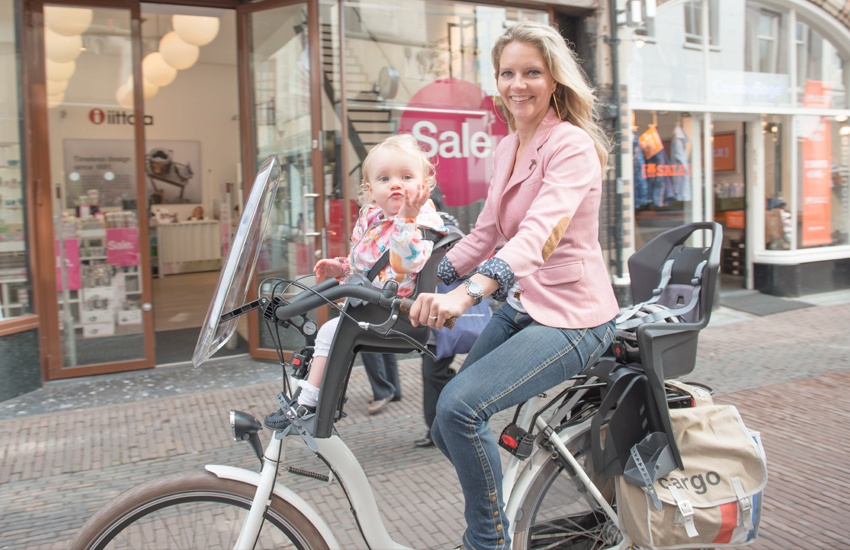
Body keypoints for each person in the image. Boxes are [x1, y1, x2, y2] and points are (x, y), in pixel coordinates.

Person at [408, 22, 620, 550]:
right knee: (445, 426)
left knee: (460, 408)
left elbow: (537, 235)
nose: (517, 84)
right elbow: (485, 233)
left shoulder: (570, 145)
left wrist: (469, 293)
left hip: (573, 315)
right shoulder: (507, 148)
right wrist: (424, 280)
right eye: (508, 73)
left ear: (554, 81)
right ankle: (511, 496)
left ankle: (490, 540)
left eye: (531, 72)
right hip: (523, 307)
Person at [265, 134, 447, 429]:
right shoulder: (372, 217)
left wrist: (407, 219)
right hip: (370, 301)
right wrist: (342, 268)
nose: (396, 184)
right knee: (320, 336)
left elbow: (406, 262)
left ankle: (307, 400)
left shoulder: (421, 223)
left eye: (406, 176)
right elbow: (368, 262)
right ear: (370, 189)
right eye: (385, 179)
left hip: (394, 311)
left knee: (327, 333)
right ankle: (314, 397)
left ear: (424, 185)